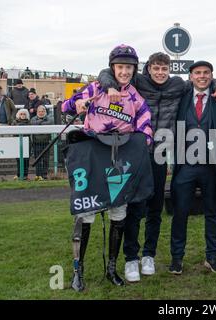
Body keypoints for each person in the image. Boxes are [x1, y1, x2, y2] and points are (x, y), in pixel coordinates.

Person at [97, 52, 216, 281]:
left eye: (164, 69)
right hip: (134, 151)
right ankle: (131, 257)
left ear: (169, 70)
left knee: (155, 207)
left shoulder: (178, 85)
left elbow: (202, 81)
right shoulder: (138, 81)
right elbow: (108, 73)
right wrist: (108, 86)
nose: (160, 73)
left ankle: (149, 254)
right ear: (148, 69)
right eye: (155, 69)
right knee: (135, 208)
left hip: (160, 153)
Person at [62, 44, 153, 291]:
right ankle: (77, 270)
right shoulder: (95, 88)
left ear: (134, 69)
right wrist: (77, 105)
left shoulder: (136, 96)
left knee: (118, 212)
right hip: (93, 157)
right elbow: (65, 106)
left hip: (119, 159)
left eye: (129, 67)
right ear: (113, 67)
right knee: (87, 213)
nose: (124, 71)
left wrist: (143, 141)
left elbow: (146, 127)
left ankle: (112, 268)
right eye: (120, 67)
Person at [169, 60, 216, 275]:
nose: (202, 76)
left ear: (211, 75)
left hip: (212, 168)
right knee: (180, 212)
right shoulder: (181, 98)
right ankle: (177, 258)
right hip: (186, 165)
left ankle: (212, 257)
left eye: (206, 73)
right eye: (197, 73)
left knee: (213, 212)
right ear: (191, 77)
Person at [30, 105, 54, 180]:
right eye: (39, 111)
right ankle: (38, 175)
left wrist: (39, 123)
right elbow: (33, 123)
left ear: (45, 112)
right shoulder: (33, 119)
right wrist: (42, 121)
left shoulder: (50, 118)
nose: (41, 113)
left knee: (46, 159)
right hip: (36, 142)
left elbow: (50, 123)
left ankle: (44, 174)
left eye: (42, 111)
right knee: (38, 159)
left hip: (46, 142)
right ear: (37, 112)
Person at [12, 109, 31, 180]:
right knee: (18, 160)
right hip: (17, 143)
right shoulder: (14, 122)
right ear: (18, 115)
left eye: (24, 114)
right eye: (21, 114)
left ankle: (26, 175)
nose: (22, 115)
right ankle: (19, 174)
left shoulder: (29, 122)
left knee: (26, 159)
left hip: (27, 143)